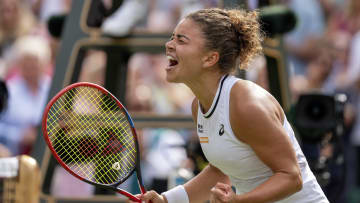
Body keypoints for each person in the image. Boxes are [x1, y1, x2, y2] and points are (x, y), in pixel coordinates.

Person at [134, 7, 329, 203]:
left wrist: (239, 201)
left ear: (210, 58)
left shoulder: (247, 105)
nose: (169, 45)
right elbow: (221, 169)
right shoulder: (199, 106)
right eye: (172, 37)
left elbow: (291, 177)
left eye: (181, 40)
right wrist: (166, 200)